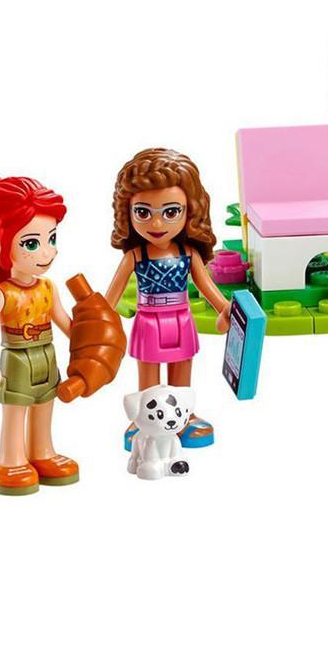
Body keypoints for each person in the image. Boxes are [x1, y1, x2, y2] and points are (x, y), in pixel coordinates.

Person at [0, 174, 125, 497]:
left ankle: (42, 452)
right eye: (31, 244)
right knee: (15, 410)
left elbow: (68, 327)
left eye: (52, 238)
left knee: (45, 404)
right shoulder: (1, 294)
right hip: (17, 359)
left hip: (47, 356)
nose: (46, 252)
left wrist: (98, 340)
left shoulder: (48, 288)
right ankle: (10, 460)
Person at [100, 149, 233, 453]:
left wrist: (225, 309)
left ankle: (183, 416)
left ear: (190, 212)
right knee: (148, 371)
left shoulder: (188, 253)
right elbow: (111, 298)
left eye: (171, 212)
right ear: (127, 212)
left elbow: (207, 286)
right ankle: (145, 419)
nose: (157, 222)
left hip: (181, 318)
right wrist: (98, 321)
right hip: (148, 320)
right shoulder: (135, 256)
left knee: (181, 368)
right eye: (143, 212)